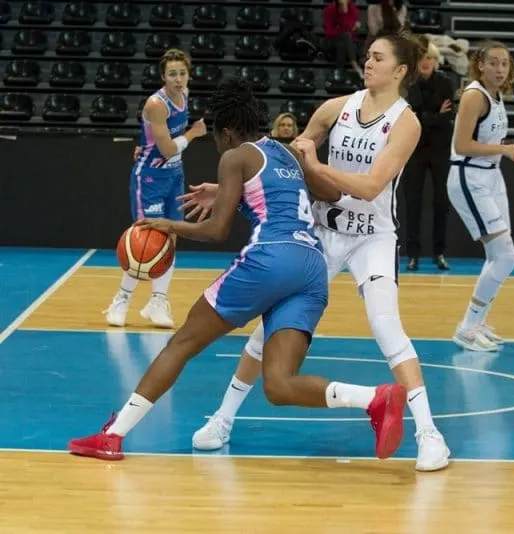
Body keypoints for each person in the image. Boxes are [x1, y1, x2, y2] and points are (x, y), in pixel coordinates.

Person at [68, 77, 407, 461]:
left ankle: (113, 435)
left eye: (216, 135)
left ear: (227, 132)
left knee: (182, 343)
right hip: (312, 266)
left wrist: (169, 226)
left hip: (271, 257)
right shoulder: (287, 152)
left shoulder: (235, 157)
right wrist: (301, 167)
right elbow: (331, 193)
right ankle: (374, 398)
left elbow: (217, 230)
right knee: (279, 385)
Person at [180, 32, 451, 472]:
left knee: (386, 326)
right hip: (321, 233)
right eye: (367, 55)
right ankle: (223, 419)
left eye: (378, 58)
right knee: (266, 330)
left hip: (372, 236)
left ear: (400, 71)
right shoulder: (336, 108)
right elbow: (284, 163)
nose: (368, 62)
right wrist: (229, 188)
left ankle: (429, 435)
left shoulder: (406, 123)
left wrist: (318, 166)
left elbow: (371, 186)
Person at [105, 49, 207, 329]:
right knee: (146, 239)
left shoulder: (184, 95)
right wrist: (194, 133)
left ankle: (158, 301)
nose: (178, 79)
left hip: (174, 176)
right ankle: (122, 299)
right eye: (172, 74)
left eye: (182, 73)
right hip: (150, 178)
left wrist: (146, 144)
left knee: (171, 237)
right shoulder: (156, 104)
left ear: (189, 75)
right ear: (163, 76)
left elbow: (162, 140)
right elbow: (168, 149)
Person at [447, 41, 514, 352]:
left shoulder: (496, 96)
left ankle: (477, 322)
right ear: (480, 65)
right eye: (493, 62)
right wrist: (505, 149)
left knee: (497, 257)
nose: (499, 69)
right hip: (470, 176)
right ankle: (467, 327)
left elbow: (491, 141)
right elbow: (462, 145)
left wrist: (511, 151)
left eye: (504, 63)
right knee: (506, 256)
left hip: (491, 175)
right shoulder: (474, 96)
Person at [404, 38, 455, 271]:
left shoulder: (446, 83)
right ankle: (413, 254)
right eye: (423, 58)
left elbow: (447, 117)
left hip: (440, 149)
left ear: (436, 61)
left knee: (441, 202)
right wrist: (434, 116)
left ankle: (439, 252)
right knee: (412, 202)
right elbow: (410, 118)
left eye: (431, 58)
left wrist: (425, 117)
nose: (427, 62)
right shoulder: (409, 84)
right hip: (414, 149)